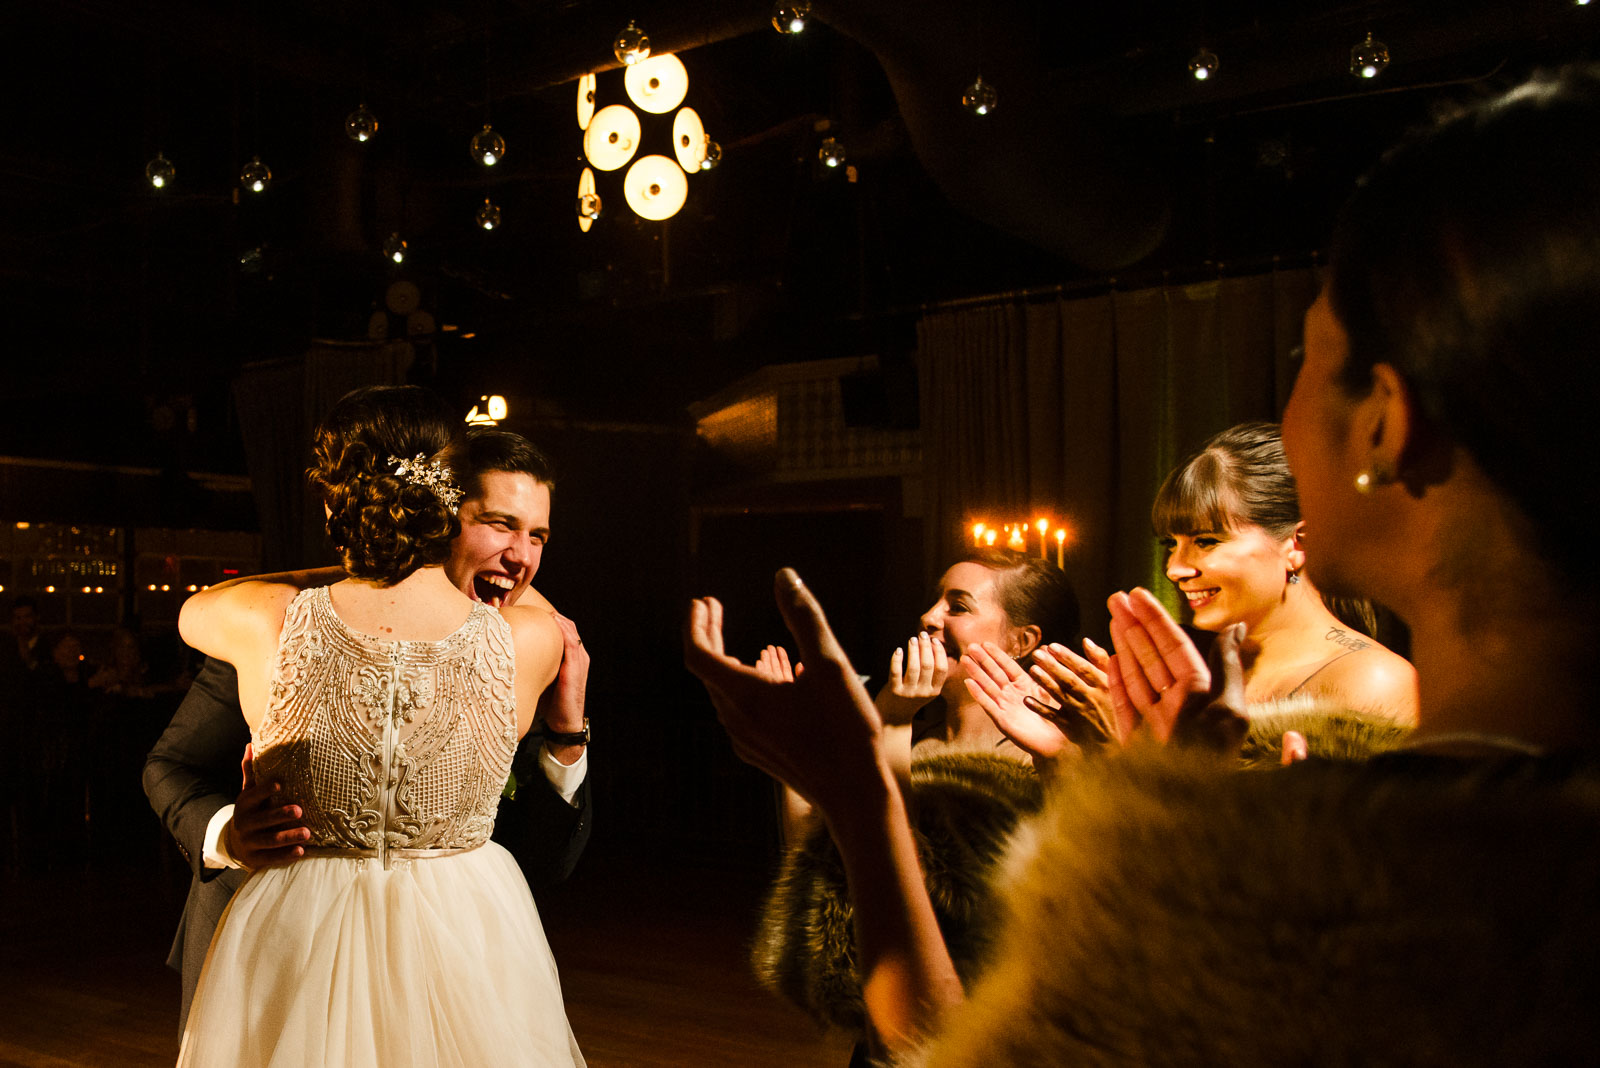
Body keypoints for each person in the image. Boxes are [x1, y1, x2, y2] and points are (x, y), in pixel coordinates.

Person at [687, 65, 1600, 1063]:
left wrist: (856, 789)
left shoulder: (1370, 866)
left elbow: (963, 1049)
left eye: (1304, 362)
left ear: (1386, 421)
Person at [172, 386, 584, 1065]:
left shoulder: (261, 617)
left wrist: (364, 560)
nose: (519, 550)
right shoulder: (531, 639)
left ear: (335, 498)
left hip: (299, 924)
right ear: (449, 508)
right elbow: (527, 592)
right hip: (468, 924)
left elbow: (198, 605)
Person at [1152, 421, 1416, 720]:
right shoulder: (1191, 676)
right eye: (1170, 544)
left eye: (1205, 541)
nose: (1174, 569)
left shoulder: (1371, 681)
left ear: (1298, 545)